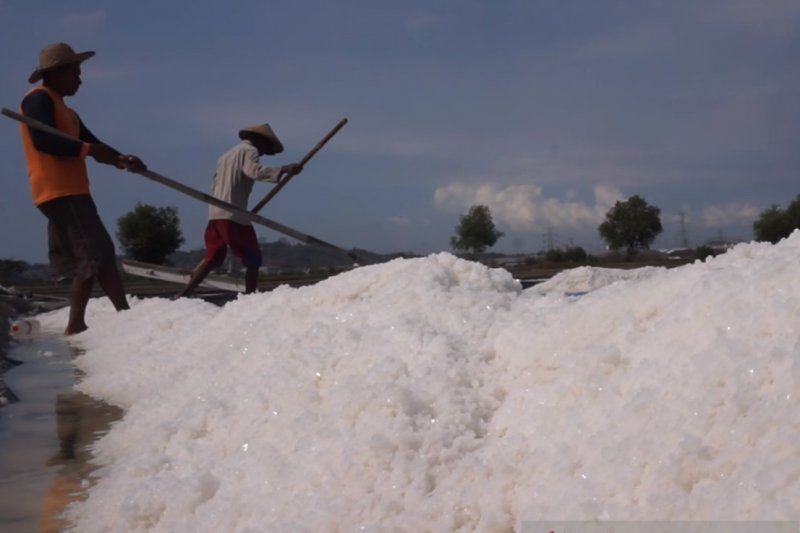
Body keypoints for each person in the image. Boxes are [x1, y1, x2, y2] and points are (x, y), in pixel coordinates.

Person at [18, 43, 146, 335]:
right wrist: (90, 150)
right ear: (56, 73)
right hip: (59, 189)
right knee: (96, 253)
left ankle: (82, 323)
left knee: (88, 256)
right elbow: (44, 141)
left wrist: (121, 159)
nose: (80, 79)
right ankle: (99, 320)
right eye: (74, 73)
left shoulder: (67, 111)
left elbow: (90, 142)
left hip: (71, 189)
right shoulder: (38, 99)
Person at [175, 124, 302, 297]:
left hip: (215, 213)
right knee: (254, 259)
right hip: (232, 215)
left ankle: (182, 295)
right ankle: (250, 298)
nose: (264, 153)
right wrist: (284, 169)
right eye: (265, 148)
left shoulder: (225, 156)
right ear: (259, 141)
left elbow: (215, 184)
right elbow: (254, 172)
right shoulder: (250, 151)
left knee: (212, 257)